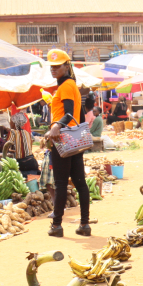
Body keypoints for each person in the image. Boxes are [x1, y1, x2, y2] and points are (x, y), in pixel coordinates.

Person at [43, 49, 92, 237]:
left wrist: (56, 126)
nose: (53, 69)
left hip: (63, 140)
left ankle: (56, 226)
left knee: (61, 183)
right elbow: (78, 116)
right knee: (80, 183)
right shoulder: (72, 86)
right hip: (74, 140)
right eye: (52, 66)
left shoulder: (65, 86)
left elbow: (69, 113)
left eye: (57, 66)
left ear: (67, 66)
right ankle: (85, 225)